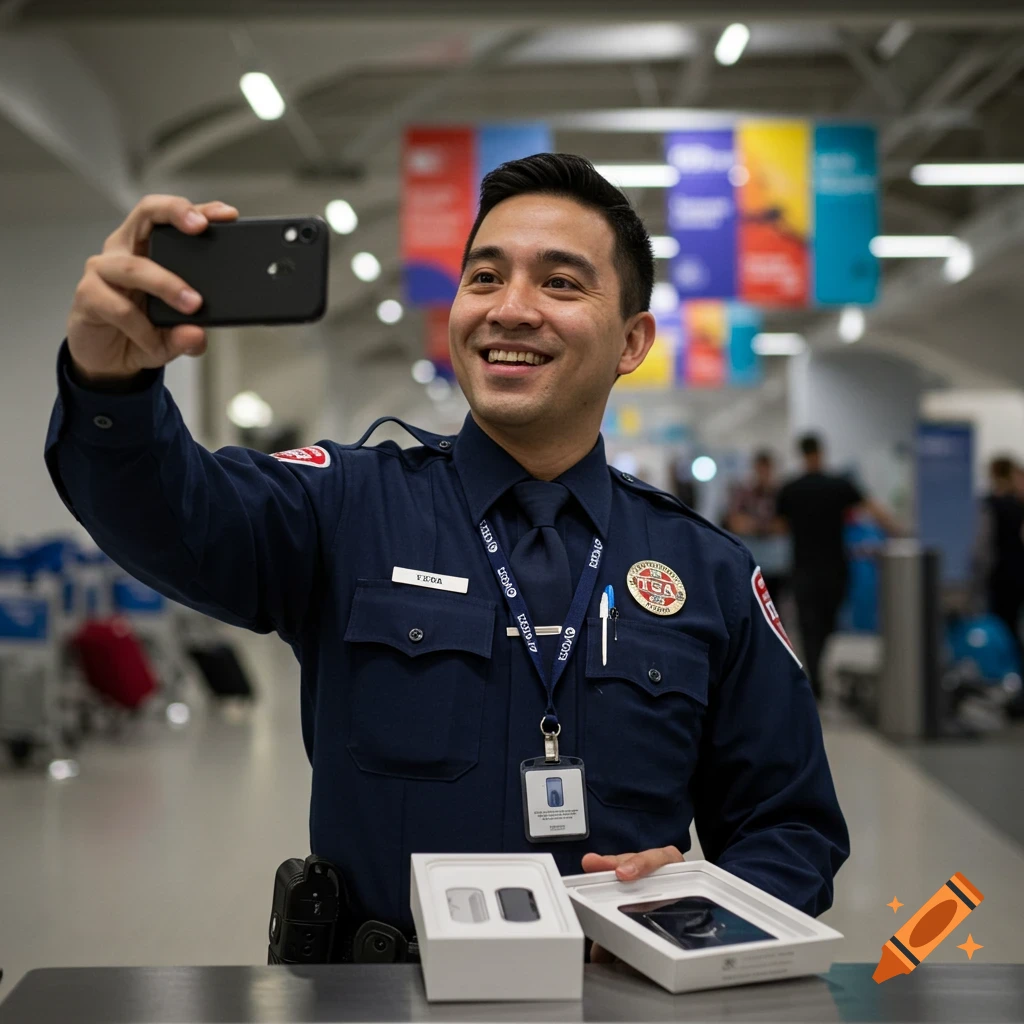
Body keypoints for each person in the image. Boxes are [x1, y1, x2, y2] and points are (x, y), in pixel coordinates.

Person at [45, 154, 848, 958]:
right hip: (379, 998)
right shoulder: (345, 506)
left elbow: (789, 825)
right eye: (485, 278)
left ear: (632, 341)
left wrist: (696, 916)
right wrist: (110, 389)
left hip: (614, 998)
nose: (512, 309)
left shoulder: (704, 571)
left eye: (561, 284)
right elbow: (169, 516)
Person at [776, 434, 899, 700]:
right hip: (834, 567)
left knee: (809, 625)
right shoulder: (839, 485)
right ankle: (817, 674)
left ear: (801, 454)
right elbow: (873, 509)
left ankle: (814, 673)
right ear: (821, 452)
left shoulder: (791, 488)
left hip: (803, 567)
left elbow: (779, 526)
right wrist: (899, 531)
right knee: (827, 623)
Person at [975, 456, 1024, 662]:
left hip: (999, 575)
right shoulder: (1018, 505)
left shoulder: (989, 505)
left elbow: (983, 546)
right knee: (1013, 626)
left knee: (999, 627)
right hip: (1017, 573)